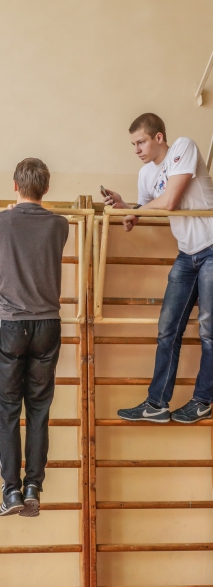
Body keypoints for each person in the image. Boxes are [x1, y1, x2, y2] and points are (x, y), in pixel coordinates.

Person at [104, 113, 213, 424]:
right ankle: (157, 404)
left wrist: (138, 210)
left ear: (159, 138)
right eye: (133, 144)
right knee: (167, 330)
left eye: (141, 142)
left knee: (209, 331)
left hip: (211, 249)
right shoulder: (145, 174)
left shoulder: (183, 147)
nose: (137, 149)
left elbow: (170, 201)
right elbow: (147, 211)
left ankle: (203, 400)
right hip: (187, 255)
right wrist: (128, 211)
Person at [0, 157, 69, 516]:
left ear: (15, 186)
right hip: (48, 324)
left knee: (7, 410)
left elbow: (1, 264)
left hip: (11, 324)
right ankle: (34, 484)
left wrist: (10, 213)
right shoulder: (60, 225)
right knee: (39, 409)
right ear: (46, 188)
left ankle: (11, 492)